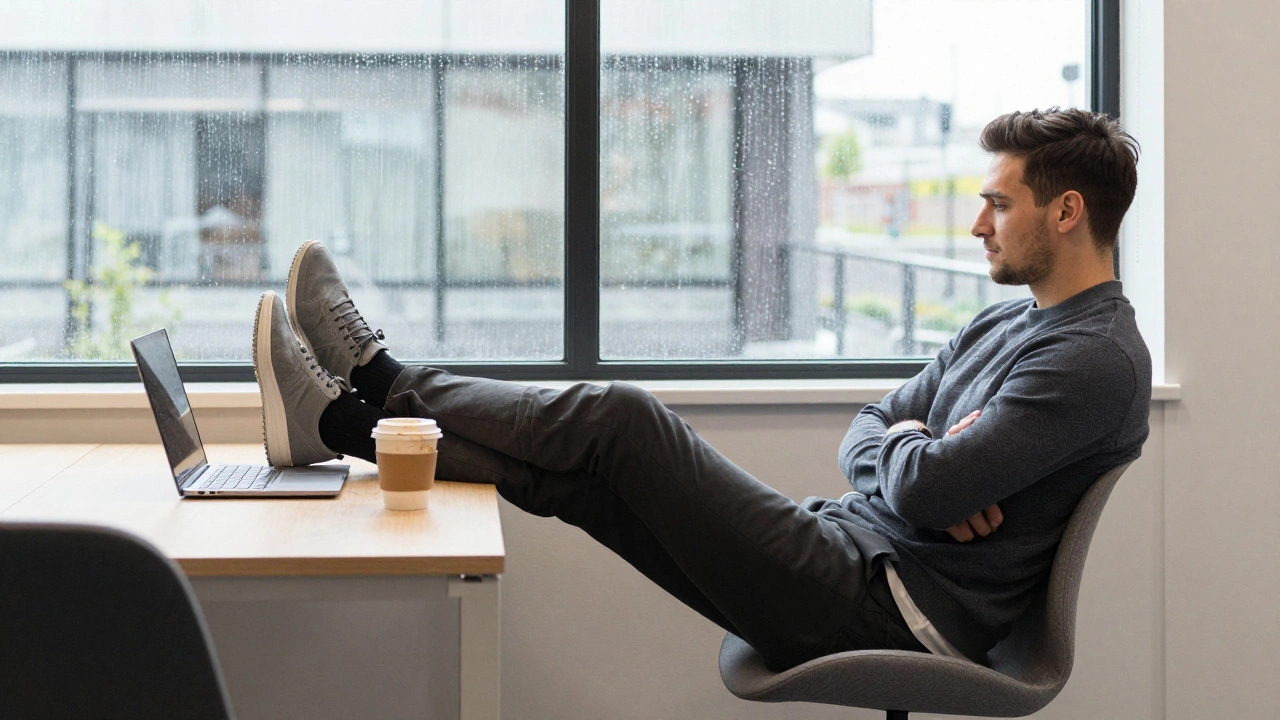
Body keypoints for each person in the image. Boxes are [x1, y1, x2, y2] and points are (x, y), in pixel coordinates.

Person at [251, 107, 1150, 671]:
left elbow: (920, 483)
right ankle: (338, 422)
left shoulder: (1093, 359)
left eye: (1000, 203)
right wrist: (921, 456)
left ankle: (382, 377)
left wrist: (923, 468)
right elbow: (871, 427)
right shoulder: (1006, 324)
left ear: (1067, 211)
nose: (975, 224)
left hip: (888, 609)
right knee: (586, 485)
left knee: (623, 420)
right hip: (849, 548)